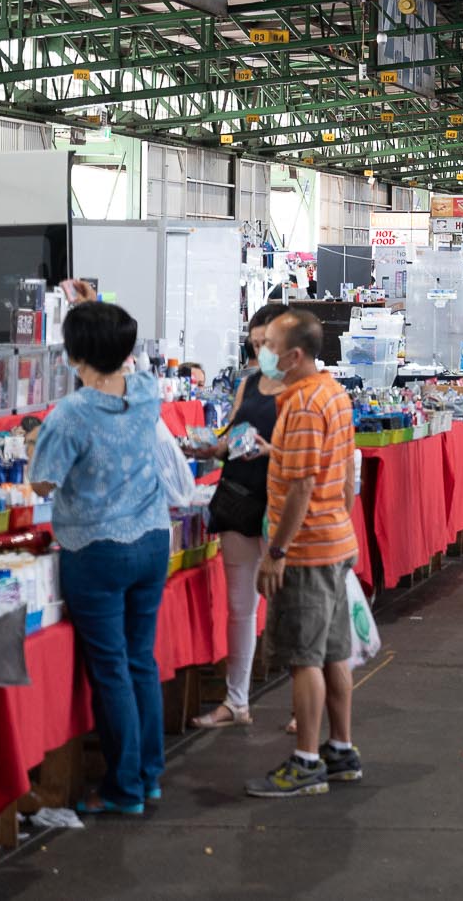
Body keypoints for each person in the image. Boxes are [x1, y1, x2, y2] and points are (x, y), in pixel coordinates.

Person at [28, 292, 173, 814]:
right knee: (140, 660)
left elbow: (43, 484)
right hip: (153, 539)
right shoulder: (147, 391)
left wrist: (30, 451)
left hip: (97, 550)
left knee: (110, 668)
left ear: (72, 355)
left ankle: (124, 789)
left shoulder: (70, 414)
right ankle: (148, 775)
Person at [248, 310, 363, 798]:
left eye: (267, 344)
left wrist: (277, 551)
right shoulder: (331, 392)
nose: (261, 353)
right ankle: (340, 749)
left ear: (294, 355)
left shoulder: (300, 405)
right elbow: (339, 475)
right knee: (334, 652)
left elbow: (302, 486)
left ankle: (307, 760)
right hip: (334, 540)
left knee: (304, 658)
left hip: (309, 550)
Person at [193, 303, 285, 730]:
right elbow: (231, 434)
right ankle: (236, 700)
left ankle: (305, 705)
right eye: (254, 343)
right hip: (238, 498)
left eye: (266, 343)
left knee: (291, 609)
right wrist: (212, 449)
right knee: (239, 607)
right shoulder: (248, 383)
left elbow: (310, 455)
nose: (259, 350)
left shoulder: (302, 389)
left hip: (282, 507)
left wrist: (272, 452)